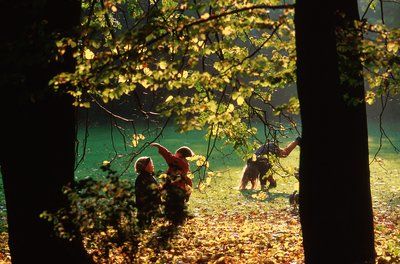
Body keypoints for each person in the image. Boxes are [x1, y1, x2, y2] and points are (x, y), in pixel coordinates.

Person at [150, 143, 194, 224]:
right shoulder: (186, 166)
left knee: (171, 205)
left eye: (176, 154)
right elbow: (189, 181)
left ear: (180, 154)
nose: (174, 155)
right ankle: (179, 221)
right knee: (179, 207)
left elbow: (168, 155)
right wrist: (188, 194)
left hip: (173, 188)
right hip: (181, 189)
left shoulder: (176, 161)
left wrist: (159, 146)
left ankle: (172, 222)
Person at [134, 156, 162, 227]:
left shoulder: (149, 176)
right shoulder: (143, 178)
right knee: (145, 223)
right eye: (151, 164)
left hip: (151, 205)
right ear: (145, 167)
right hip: (147, 206)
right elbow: (150, 192)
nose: (153, 165)